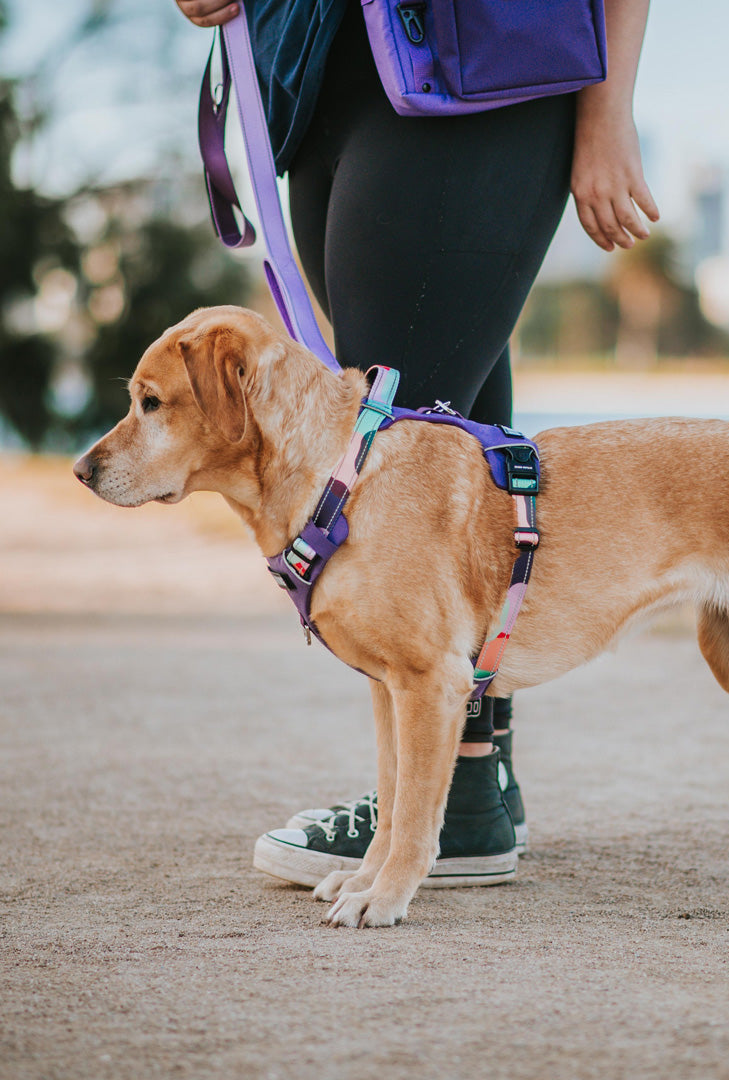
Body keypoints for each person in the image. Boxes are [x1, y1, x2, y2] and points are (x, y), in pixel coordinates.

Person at [176, 0, 658, 886]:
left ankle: (453, 806)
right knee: (443, 406)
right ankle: (480, 780)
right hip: (322, 61)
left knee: (399, 441)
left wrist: (608, 107)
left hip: (486, 56)